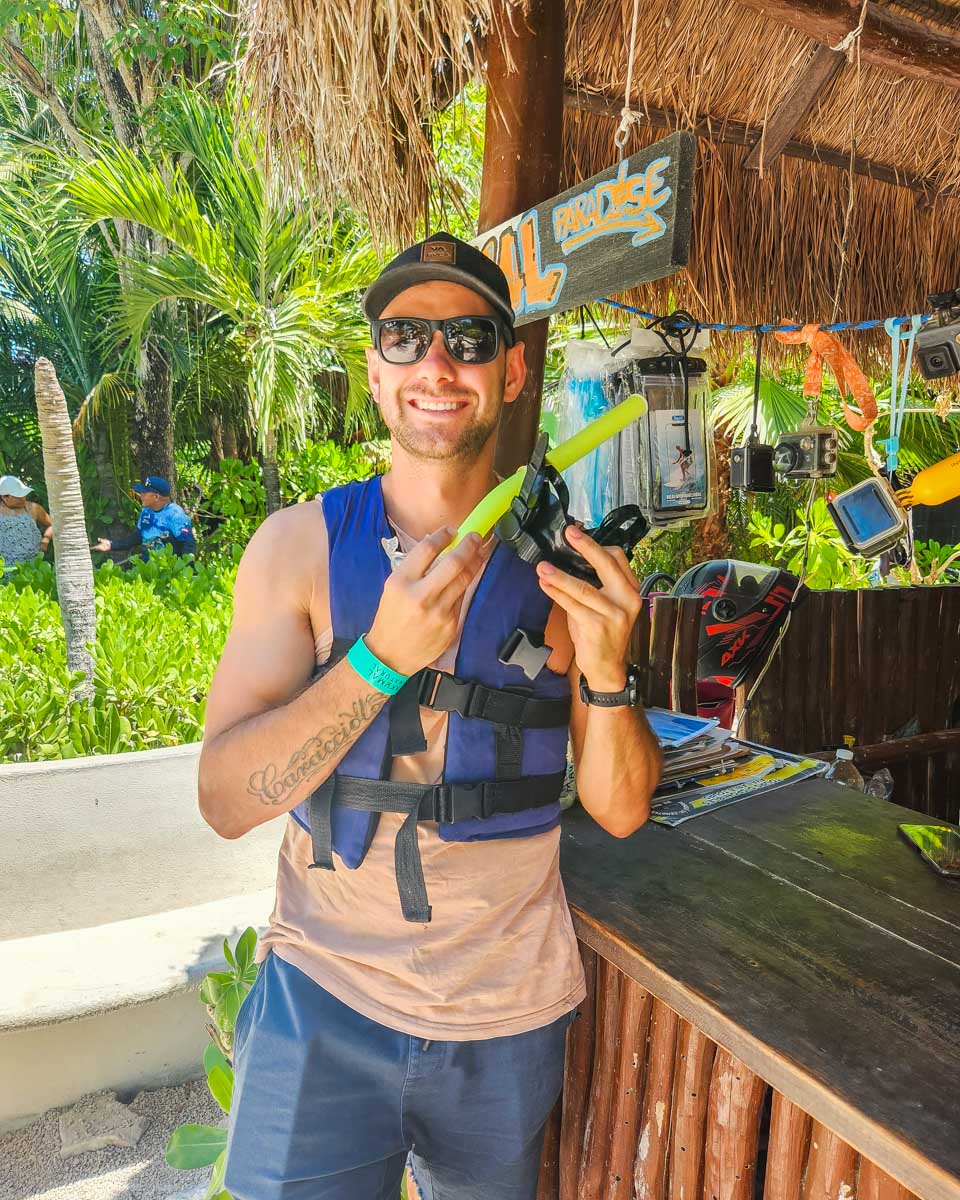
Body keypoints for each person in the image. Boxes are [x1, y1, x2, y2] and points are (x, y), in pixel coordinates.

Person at [199, 232, 662, 1200]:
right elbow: (227, 800)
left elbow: (620, 812)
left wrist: (611, 670)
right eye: (406, 338)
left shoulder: (560, 567)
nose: (437, 366)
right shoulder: (299, 548)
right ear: (374, 370)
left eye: (469, 336)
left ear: (511, 368)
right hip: (322, 1001)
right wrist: (379, 659)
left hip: (507, 1014)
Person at [92, 477, 196, 559]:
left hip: (169, 571)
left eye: (144, 493)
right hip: (149, 570)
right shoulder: (146, 512)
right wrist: (111, 545)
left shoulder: (175, 514)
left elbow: (188, 545)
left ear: (156, 497)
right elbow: (137, 537)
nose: (140, 495)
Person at [0, 475, 53, 575]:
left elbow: (51, 525)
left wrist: (45, 540)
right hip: (5, 566)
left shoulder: (33, 508)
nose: (23, 499)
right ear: (5, 497)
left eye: (24, 495)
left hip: (32, 563)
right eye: (18, 497)